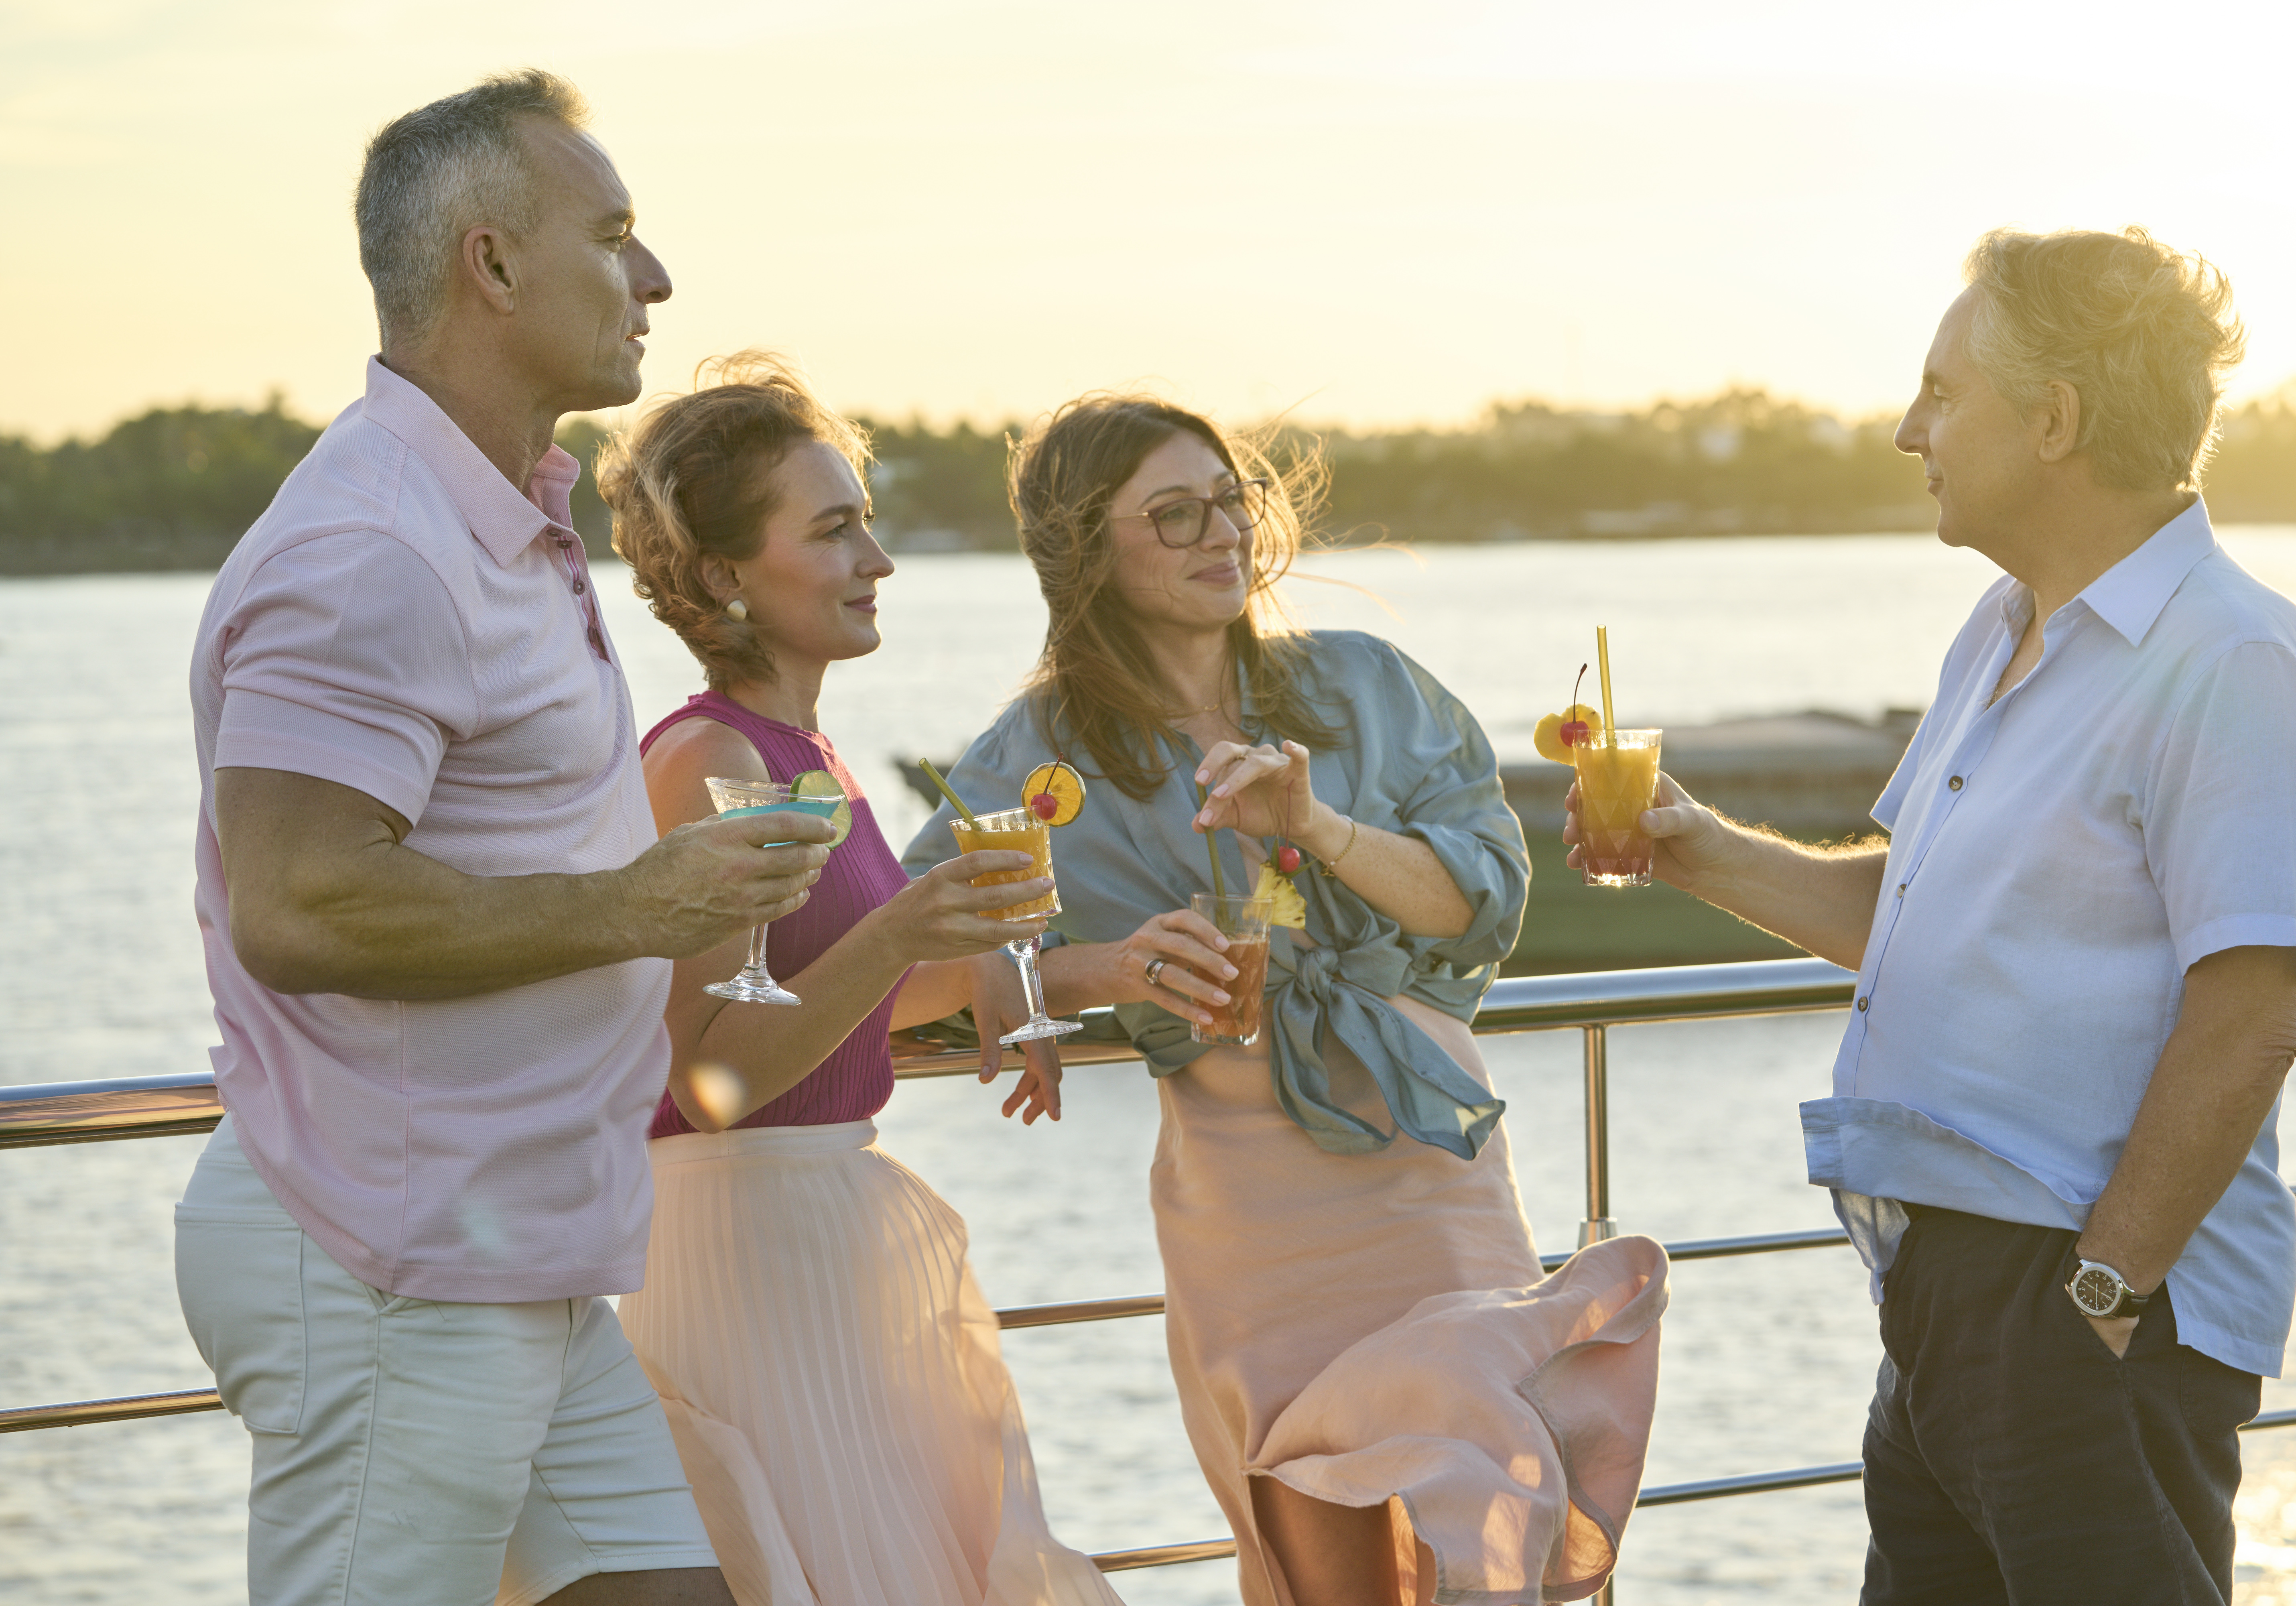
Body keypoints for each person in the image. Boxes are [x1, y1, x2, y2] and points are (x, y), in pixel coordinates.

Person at [1601, 228, 2296, 1604]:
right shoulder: (1999, 630)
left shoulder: (2234, 657)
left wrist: (2100, 1298)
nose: (1909, 428)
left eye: (1943, 393)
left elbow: (2253, 1010)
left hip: (2088, 1298)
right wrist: (1690, 849)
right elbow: (1907, 914)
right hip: (1944, 1296)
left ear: (2056, 420)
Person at [175, 73, 825, 1606]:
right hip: (390, 1258)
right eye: (615, 236)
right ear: (492, 263)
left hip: (504, 1250)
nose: (654, 279)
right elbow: (297, 902)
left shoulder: (500, 515)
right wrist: (640, 905)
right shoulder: (371, 548)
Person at [904, 394, 1669, 1606]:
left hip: (1433, 1179)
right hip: (1253, 1220)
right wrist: (1077, 973)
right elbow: (900, 971)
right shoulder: (1035, 764)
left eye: (1231, 499)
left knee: (1489, 1552)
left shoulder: (1365, 688)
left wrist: (1317, 823)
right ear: (1084, 550)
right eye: (1174, 512)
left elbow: (1478, 902)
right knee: (1325, 1571)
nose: (1224, 532)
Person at [599, 355, 1124, 1606]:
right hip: (744, 1255)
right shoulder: (708, 757)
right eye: (834, 531)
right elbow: (719, 1073)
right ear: (725, 574)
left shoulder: (803, 751)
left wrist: (1074, 965)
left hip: (826, 1249)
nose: (877, 560)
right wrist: (902, 936)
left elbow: (839, 1002)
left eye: (867, 526)